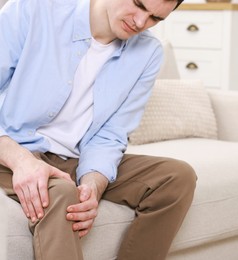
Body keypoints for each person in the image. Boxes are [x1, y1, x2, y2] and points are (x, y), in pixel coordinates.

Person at [0, 0, 197, 259]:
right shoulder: (34, 10)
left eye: (155, 18)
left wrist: (93, 184)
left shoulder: (148, 52)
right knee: (60, 193)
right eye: (138, 4)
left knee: (176, 178)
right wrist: (21, 161)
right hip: (11, 150)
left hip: (75, 159)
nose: (140, 22)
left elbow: (111, 134)